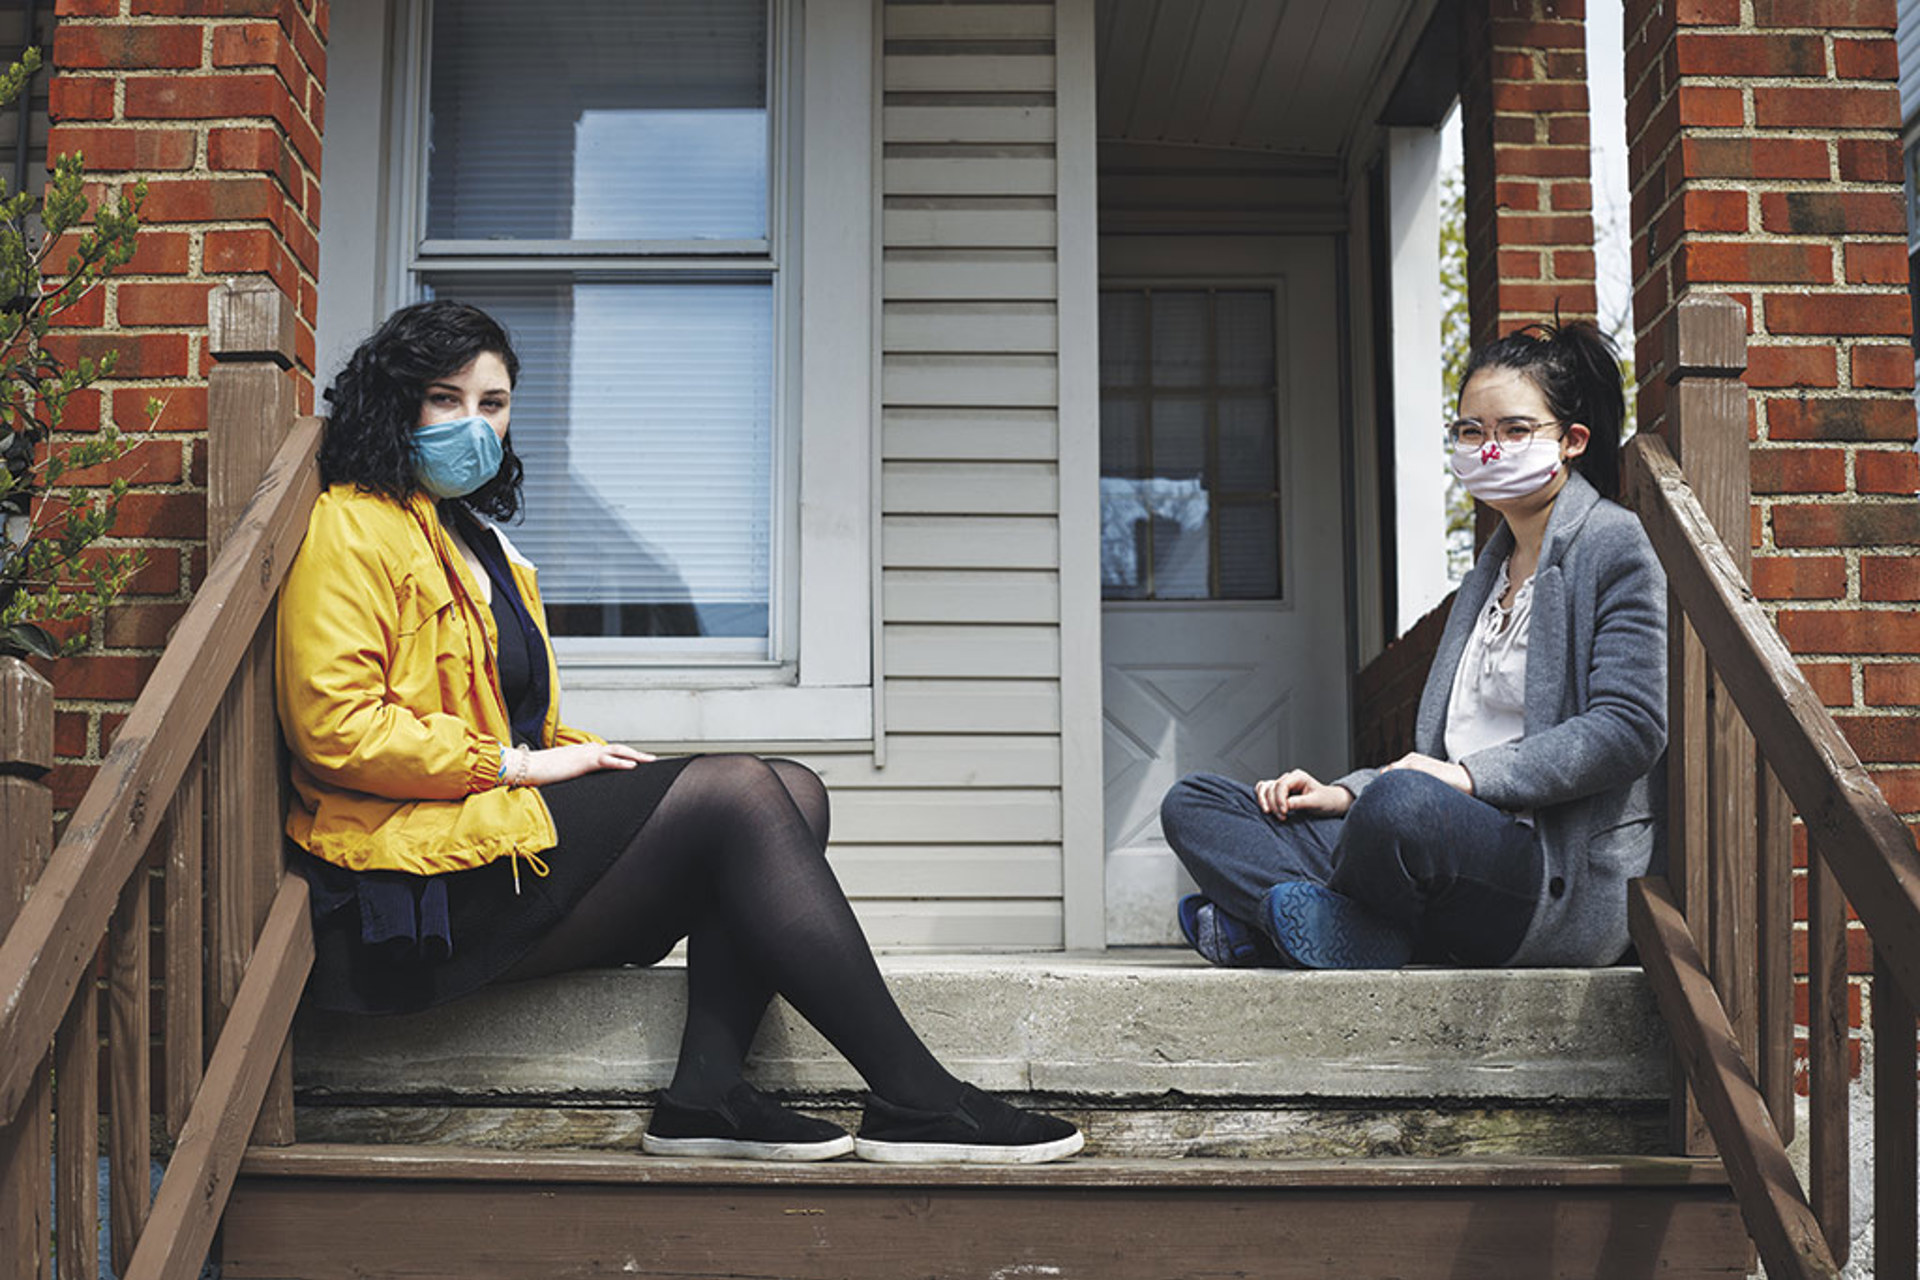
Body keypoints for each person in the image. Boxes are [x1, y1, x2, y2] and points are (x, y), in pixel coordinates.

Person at [276, 300, 1082, 1164]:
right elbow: (339, 728)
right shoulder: (350, 525)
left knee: (788, 789)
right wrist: (519, 765)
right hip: (406, 893)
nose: (474, 424)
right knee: (736, 794)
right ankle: (918, 1097)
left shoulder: (481, 546)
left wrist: (600, 767)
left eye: (494, 404)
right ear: (396, 401)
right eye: (446, 398)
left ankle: (708, 1093)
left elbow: (513, 720)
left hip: (483, 837)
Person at [1160, 321, 1665, 971]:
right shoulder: (1485, 578)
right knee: (1198, 803)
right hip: (1432, 830)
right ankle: (1336, 928)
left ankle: (1271, 924)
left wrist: (1465, 781)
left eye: (1514, 430)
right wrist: (1342, 794)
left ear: (1571, 442)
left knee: (1402, 811)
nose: (1488, 448)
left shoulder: (1614, 546)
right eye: (1471, 431)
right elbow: (1438, 760)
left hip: (1540, 869)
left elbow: (1630, 729)